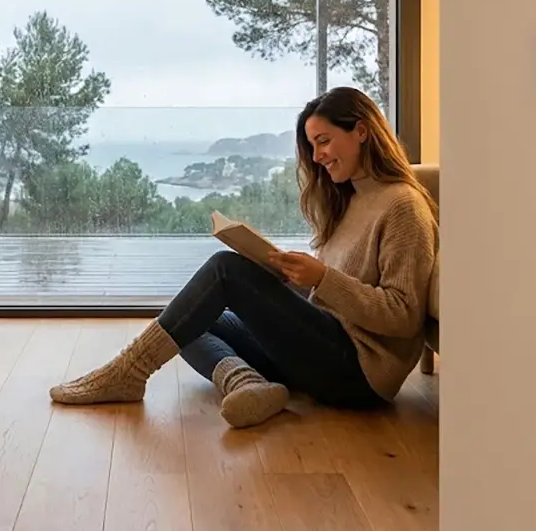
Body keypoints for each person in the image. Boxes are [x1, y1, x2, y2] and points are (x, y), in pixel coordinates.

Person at [50, 86, 438, 429]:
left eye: (324, 141)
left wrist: (321, 278)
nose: (317, 156)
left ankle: (129, 371)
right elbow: (333, 298)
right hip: (324, 350)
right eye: (312, 146)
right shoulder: (352, 200)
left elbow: (403, 317)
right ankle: (245, 383)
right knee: (189, 317)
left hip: (360, 374)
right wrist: (288, 278)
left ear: (362, 131)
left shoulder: (403, 206)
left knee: (225, 270)